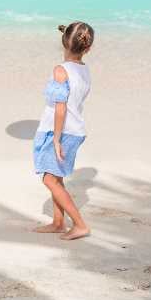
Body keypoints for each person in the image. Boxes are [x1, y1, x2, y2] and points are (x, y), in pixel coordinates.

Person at [33, 21, 94, 240]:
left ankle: (79, 225)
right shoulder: (84, 70)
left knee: (49, 179)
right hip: (75, 129)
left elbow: (61, 108)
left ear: (63, 42)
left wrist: (56, 139)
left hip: (61, 130)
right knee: (56, 177)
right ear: (88, 48)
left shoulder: (61, 70)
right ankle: (58, 222)